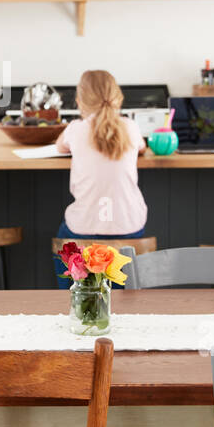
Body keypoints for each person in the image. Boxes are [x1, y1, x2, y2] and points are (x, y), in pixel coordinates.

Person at [53, 71, 148, 279]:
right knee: (123, 291)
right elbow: (141, 148)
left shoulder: (75, 129)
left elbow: (60, 147)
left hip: (83, 229)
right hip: (129, 228)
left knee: (64, 241)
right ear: (118, 98)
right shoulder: (130, 127)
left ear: (79, 101)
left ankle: (77, 296)